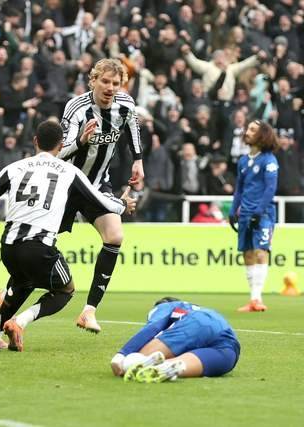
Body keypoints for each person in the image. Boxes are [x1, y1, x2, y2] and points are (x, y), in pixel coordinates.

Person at [0, 121, 136, 352]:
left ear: (35, 141)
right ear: (61, 145)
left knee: (23, 282)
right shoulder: (69, 171)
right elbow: (100, 201)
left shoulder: (15, 167)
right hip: (39, 246)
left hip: (8, 246)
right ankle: (20, 322)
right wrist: (122, 204)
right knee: (65, 290)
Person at [57, 58, 144, 333]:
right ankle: (9, 291)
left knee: (115, 237)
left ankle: (89, 311)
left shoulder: (126, 104)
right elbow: (59, 152)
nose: (110, 88)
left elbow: (133, 128)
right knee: (41, 241)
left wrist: (138, 160)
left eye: (115, 83)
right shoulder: (76, 107)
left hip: (97, 184)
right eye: (105, 81)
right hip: (67, 184)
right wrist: (81, 141)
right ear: (92, 81)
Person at [110, 297, 240, 383]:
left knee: (132, 361)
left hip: (195, 323)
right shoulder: (194, 308)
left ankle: (140, 362)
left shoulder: (167, 305)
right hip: (228, 343)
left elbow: (153, 326)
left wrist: (122, 354)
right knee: (181, 363)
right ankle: (166, 367)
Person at [229, 120, 279, 312]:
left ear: (262, 135)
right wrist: (233, 210)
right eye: (248, 129)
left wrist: (259, 211)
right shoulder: (243, 161)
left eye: (252, 130)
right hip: (245, 214)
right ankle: (253, 299)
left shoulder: (269, 160)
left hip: (263, 213)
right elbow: (239, 189)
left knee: (261, 251)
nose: (247, 132)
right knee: (248, 253)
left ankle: (257, 298)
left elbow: (270, 189)